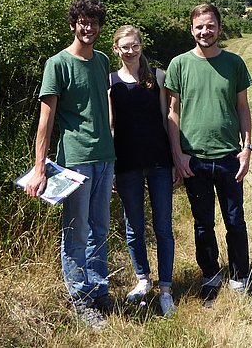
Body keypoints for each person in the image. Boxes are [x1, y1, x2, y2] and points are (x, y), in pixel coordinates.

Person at [25, 0, 115, 329]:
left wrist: (113, 150)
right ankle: (79, 297)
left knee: (100, 228)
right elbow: (45, 121)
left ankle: (99, 289)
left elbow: (103, 108)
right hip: (74, 160)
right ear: (73, 24)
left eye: (94, 23)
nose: (88, 28)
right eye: (83, 22)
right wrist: (39, 167)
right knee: (76, 232)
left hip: (105, 158)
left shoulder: (102, 60)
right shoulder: (57, 64)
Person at [164, 3, 252, 305]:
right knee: (203, 223)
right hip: (194, 160)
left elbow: (243, 108)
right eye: (199, 26)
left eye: (210, 25)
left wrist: (246, 149)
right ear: (192, 29)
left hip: (229, 157)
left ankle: (241, 276)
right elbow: (173, 113)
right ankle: (211, 276)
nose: (205, 31)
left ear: (219, 27)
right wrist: (177, 154)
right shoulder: (178, 64)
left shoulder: (235, 63)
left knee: (235, 220)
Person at [108, 25, 176, 317]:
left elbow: (168, 118)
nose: (130, 51)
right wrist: (110, 166)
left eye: (134, 46)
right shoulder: (109, 82)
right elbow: (110, 126)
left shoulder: (157, 78)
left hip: (159, 161)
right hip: (126, 164)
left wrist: (176, 158)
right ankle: (143, 280)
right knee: (133, 226)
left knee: (163, 227)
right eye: (125, 47)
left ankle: (166, 288)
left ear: (141, 45)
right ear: (116, 49)